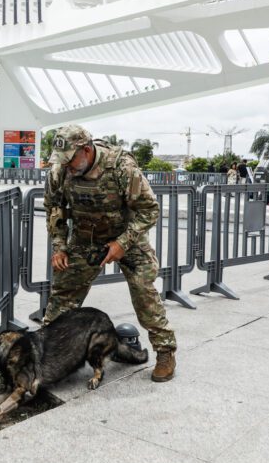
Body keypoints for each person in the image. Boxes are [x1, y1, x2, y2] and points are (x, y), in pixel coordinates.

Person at [43, 125, 177, 382]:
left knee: (144, 291)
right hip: (85, 239)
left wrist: (123, 243)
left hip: (129, 238)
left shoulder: (121, 167)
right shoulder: (60, 170)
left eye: (71, 159)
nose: (67, 166)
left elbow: (149, 210)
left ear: (86, 149)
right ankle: (46, 353)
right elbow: (54, 209)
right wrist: (59, 247)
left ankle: (165, 351)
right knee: (63, 295)